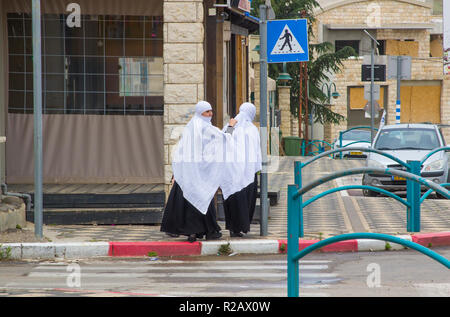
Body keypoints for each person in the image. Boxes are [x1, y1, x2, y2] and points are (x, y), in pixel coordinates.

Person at [160, 101, 235, 243]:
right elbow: (224, 139)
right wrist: (231, 127)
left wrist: (177, 172)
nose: (210, 114)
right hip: (199, 173)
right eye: (207, 112)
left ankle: (197, 231)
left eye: (211, 111)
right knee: (202, 199)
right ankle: (202, 231)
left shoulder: (191, 126)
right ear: (200, 112)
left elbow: (181, 150)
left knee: (190, 200)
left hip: (189, 172)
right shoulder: (205, 128)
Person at [220, 102, 262, 237]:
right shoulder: (252, 129)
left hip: (231, 171)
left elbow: (224, 139)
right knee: (246, 199)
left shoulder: (230, 126)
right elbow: (257, 151)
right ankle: (242, 227)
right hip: (248, 172)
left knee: (233, 198)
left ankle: (233, 227)